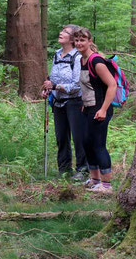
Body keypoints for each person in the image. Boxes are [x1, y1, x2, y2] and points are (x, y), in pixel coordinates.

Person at [73, 27, 117, 194]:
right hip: (88, 107)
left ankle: (106, 186)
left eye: (82, 40)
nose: (79, 43)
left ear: (90, 41)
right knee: (86, 143)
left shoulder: (96, 61)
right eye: (76, 40)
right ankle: (94, 180)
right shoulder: (81, 60)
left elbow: (112, 85)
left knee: (98, 145)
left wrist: (104, 109)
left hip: (100, 108)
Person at [42, 25, 88, 180]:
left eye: (65, 32)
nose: (60, 33)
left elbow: (76, 85)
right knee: (61, 137)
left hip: (75, 102)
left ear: (72, 39)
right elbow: (53, 78)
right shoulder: (56, 55)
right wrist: (48, 88)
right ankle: (64, 170)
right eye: (61, 31)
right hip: (58, 101)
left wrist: (55, 86)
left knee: (78, 137)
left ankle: (83, 169)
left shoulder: (77, 57)